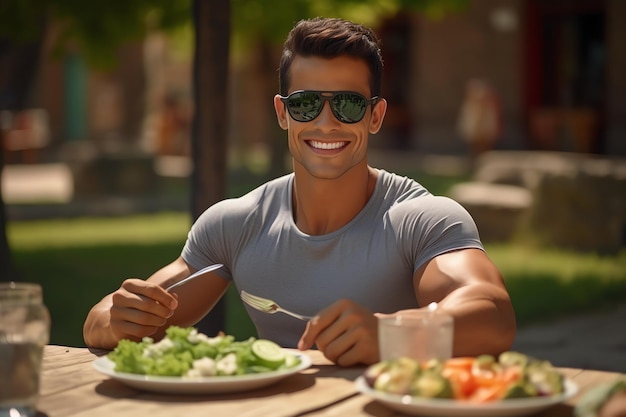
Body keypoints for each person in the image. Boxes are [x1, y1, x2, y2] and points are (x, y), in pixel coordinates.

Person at [83, 17, 516, 366]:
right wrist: (118, 321)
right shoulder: (236, 223)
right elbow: (109, 319)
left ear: (375, 116)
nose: (326, 123)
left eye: (347, 104)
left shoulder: (424, 217)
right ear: (283, 113)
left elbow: (493, 314)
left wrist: (392, 335)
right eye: (306, 104)